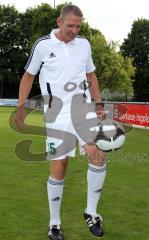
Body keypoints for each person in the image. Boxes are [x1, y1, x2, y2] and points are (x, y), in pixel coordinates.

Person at [16, 4, 107, 240]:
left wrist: (98, 104)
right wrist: (21, 106)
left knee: (98, 154)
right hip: (56, 115)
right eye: (70, 26)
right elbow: (28, 76)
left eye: (79, 26)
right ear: (59, 21)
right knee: (60, 166)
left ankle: (91, 212)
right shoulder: (43, 45)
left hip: (82, 110)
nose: (75, 31)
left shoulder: (84, 45)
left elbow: (91, 75)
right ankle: (54, 224)